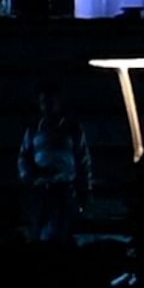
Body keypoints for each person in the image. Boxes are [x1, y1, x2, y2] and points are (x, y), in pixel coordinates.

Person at [18, 86, 92, 244]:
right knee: (39, 231)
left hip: (64, 189)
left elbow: (83, 160)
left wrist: (84, 189)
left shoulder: (72, 129)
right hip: (41, 190)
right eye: (44, 102)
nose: (48, 106)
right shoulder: (33, 130)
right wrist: (31, 177)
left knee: (63, 231)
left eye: (51, 101)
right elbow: (24, 156)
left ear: (58, 103)